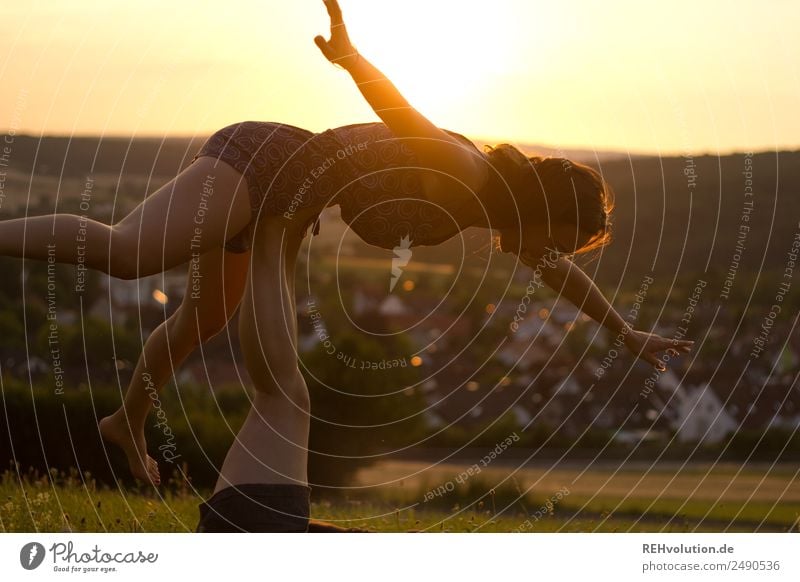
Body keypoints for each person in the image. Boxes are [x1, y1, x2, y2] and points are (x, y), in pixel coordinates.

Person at [0, 0, 693, 531]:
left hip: (287, 206)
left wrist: (625, 332)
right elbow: (399, 109)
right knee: (128, 253)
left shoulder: (494, 213)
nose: (556, 254)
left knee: (202, 318)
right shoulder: (466, 170)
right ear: (544, 206)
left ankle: (124, 422)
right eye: (564, 237)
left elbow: (554, 271)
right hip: (261, 162)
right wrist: (352, 58)